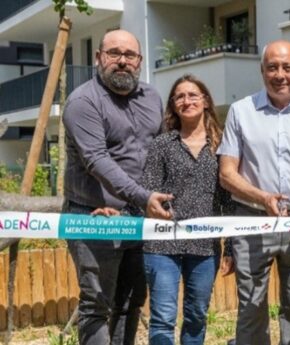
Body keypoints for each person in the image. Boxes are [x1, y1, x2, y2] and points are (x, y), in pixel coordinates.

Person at [217, 40, 290, 345]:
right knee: (252, 304)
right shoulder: (241, 112)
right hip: (252, 219)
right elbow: (227, 172)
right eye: (272, 67)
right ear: (262, 70)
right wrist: (262, 197)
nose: (280, 74)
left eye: (287, 67)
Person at [63, 29, 172, 344]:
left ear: (139, 61)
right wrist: (144, 196)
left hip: (138, 217)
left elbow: (161, 148)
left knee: (131, 300)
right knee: (97, 305)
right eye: (114, 53)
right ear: (99, 58)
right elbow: (96, 160)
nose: (122, 61)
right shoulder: (82, 102)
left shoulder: (151, 97)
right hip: (94, 216)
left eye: (130, 55)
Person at [140, 74, 234, 344]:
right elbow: (148, 189)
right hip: (162, 245)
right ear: (173, 105)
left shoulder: (222, 145)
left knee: (196, 315)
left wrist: (230, 247)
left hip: (205, 247)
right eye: (179, 96)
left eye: (193, 95)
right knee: (163, 317)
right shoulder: (161, 144)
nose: (186, 100)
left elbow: (229, 200)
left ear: (205, 101)